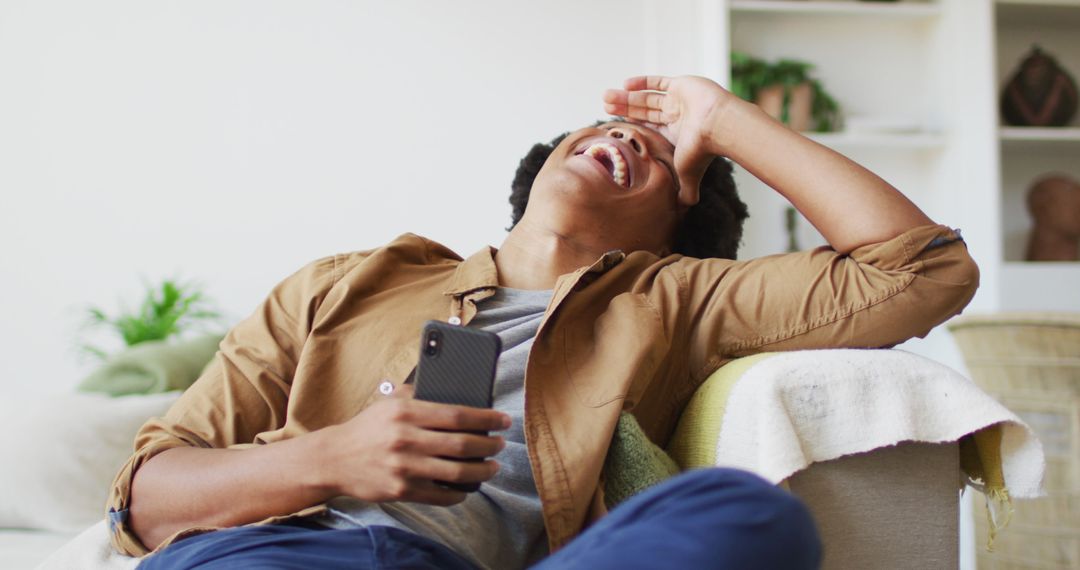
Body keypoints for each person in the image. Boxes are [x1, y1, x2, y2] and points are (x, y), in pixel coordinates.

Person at [107, 75, 978, 569]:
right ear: (543, 169)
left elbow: (924, 269)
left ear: (685, 221)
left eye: (662, 153)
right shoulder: (347, 284)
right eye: (603, 128)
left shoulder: (680, 294)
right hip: (292, 558)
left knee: (748, 513)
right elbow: (144, 499)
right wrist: (334, 457)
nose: (625, 136)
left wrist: (722, 119)